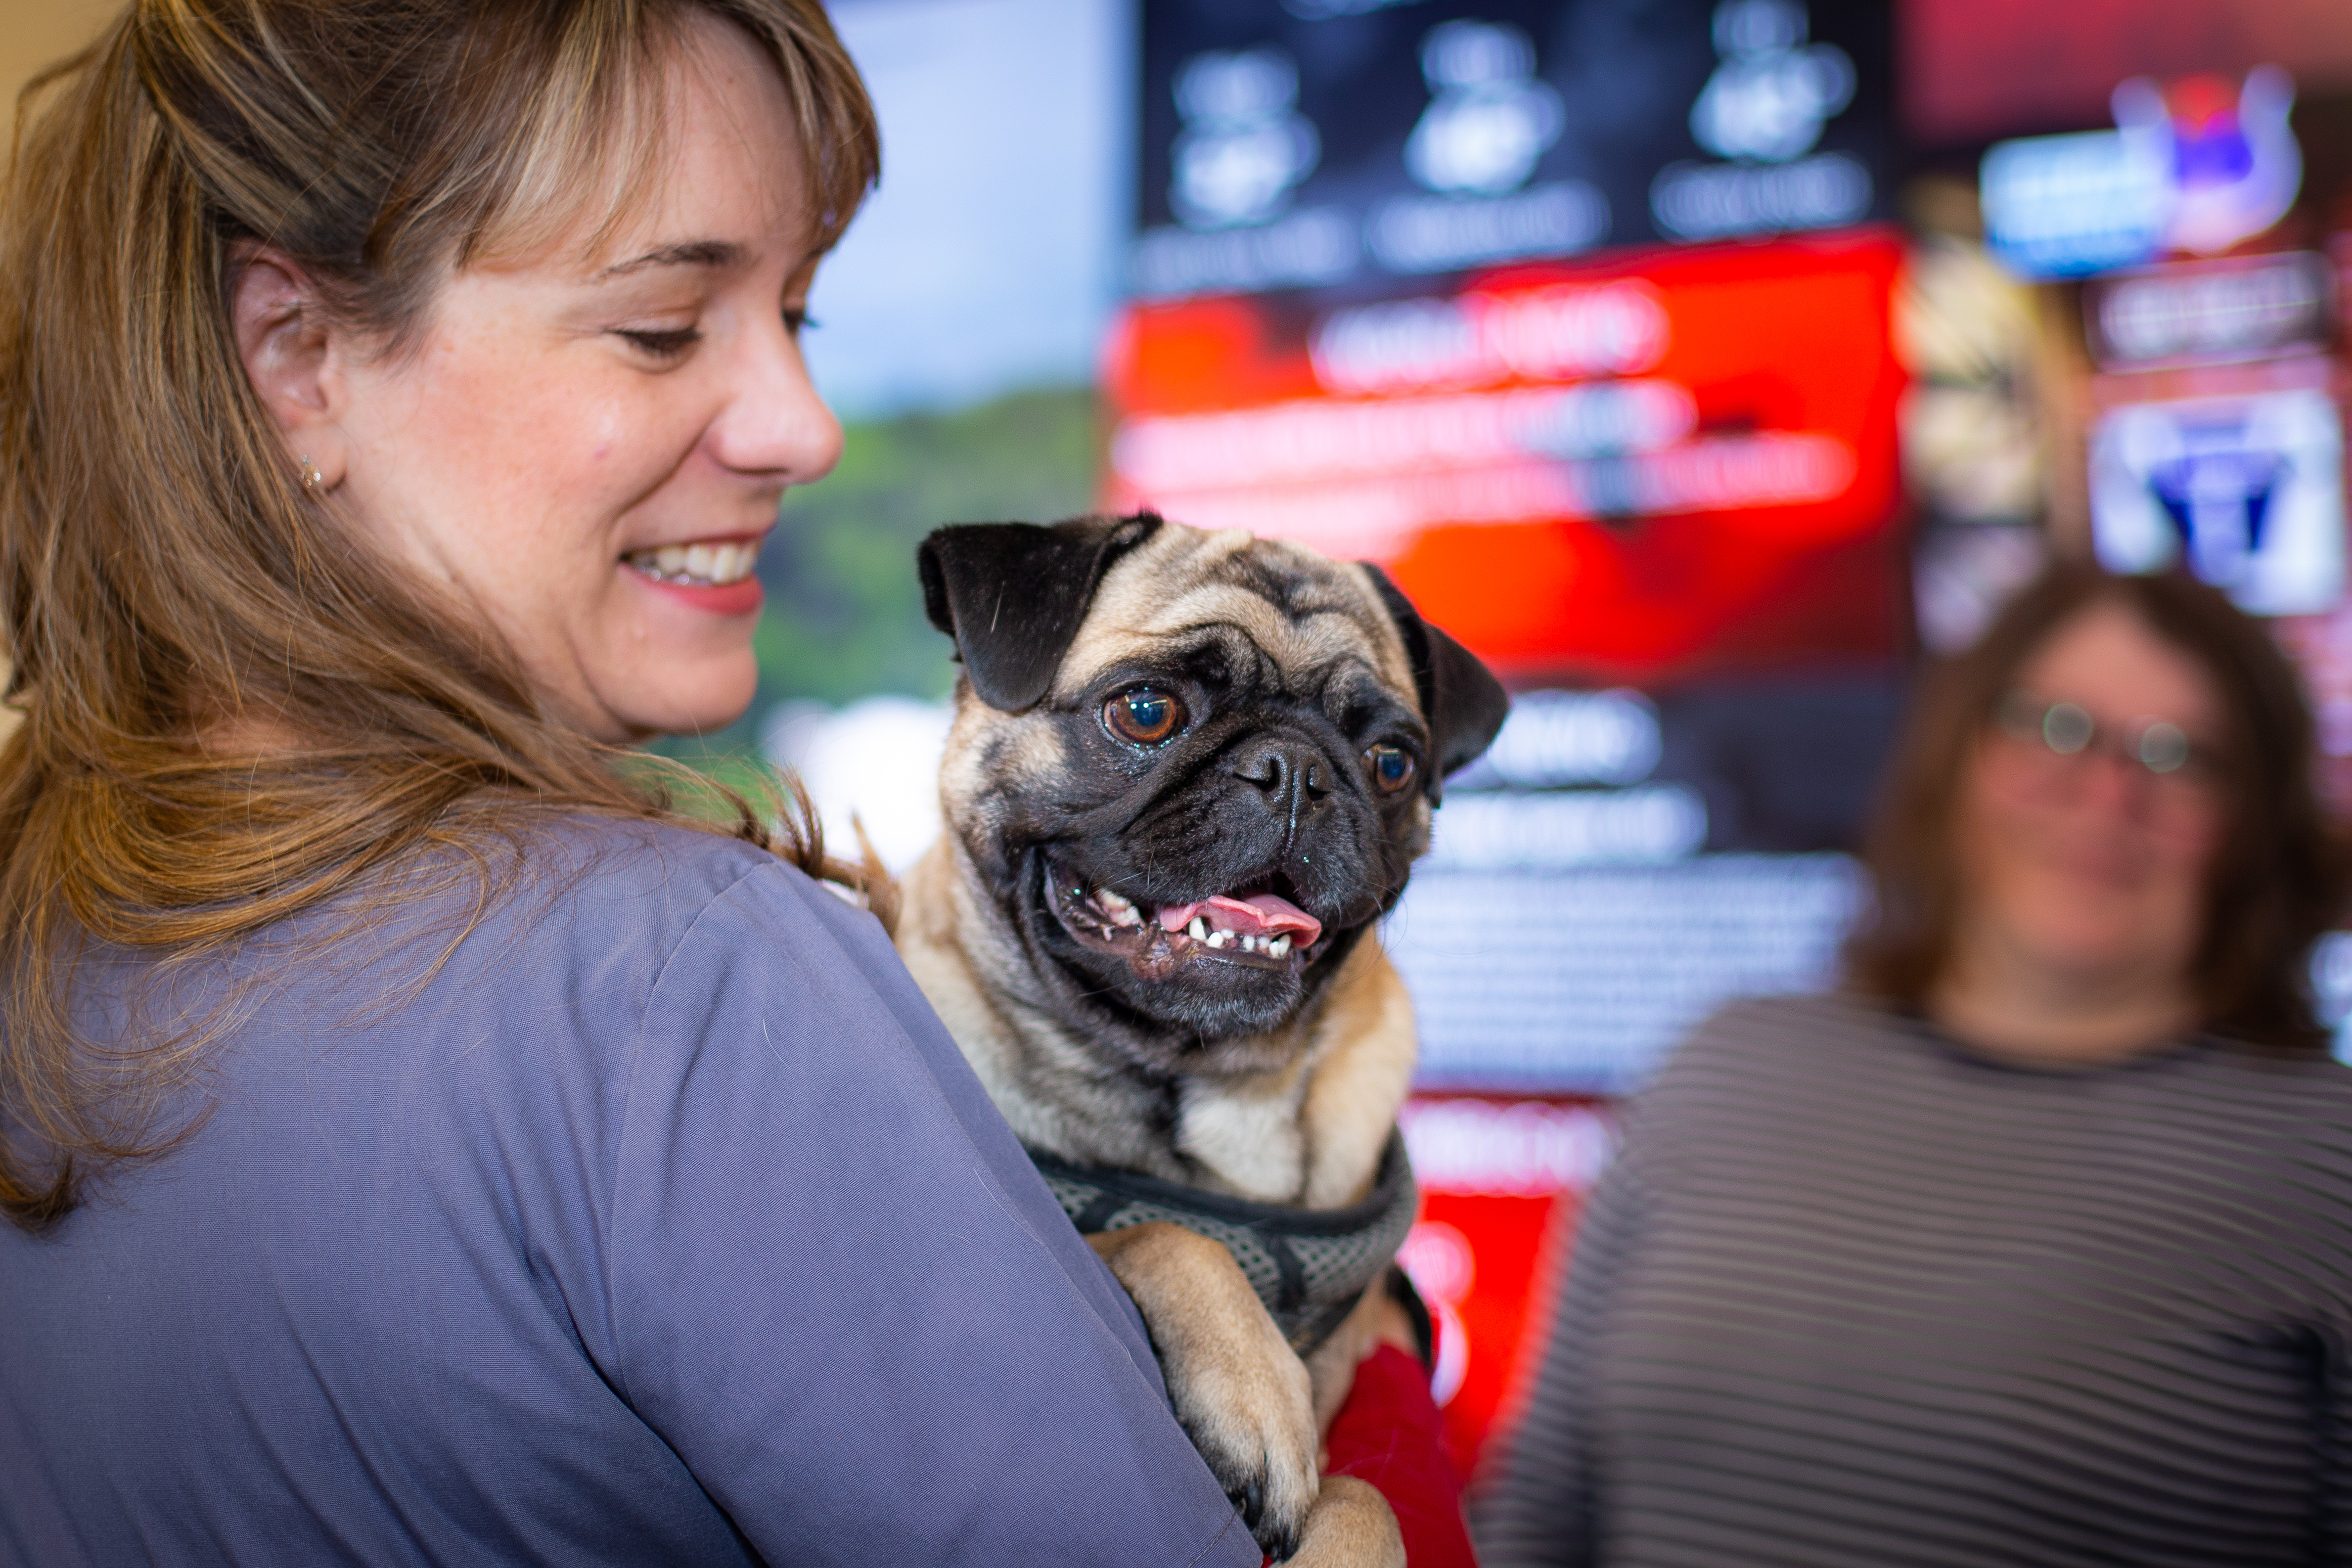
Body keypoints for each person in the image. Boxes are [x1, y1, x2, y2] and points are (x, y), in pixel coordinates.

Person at [0, 3, 1456, 1561]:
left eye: (800, 320)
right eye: (663, 325)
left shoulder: (44, 923)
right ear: (297, 355)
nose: (803, 427)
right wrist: (1378, 1466)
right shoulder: (679, 982)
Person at [1474, 563, 2352, 1567]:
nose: (2107, 793)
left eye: (2180, 755)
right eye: (2056, 728)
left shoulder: (2321, 1157)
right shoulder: (1726, 1063)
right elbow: (1541, 1500)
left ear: (2254, 826)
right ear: (1958, 756)